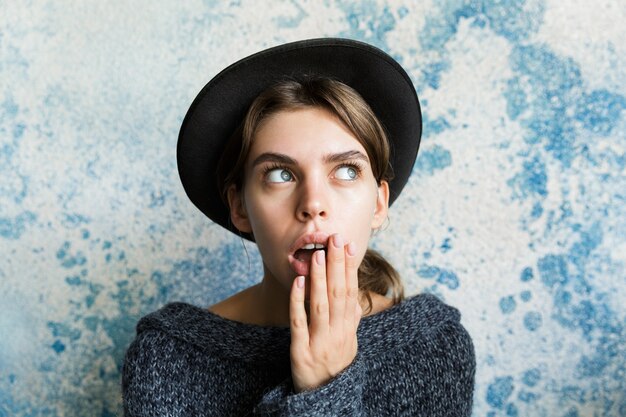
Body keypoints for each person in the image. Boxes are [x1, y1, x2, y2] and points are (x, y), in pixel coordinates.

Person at [122, 38, 475, 416]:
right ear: (239, 206)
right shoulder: (168, 358)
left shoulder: (434, 346)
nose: (313, 204)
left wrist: (328, 381)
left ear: (378, 203)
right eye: (280, 174)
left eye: (345, 171)